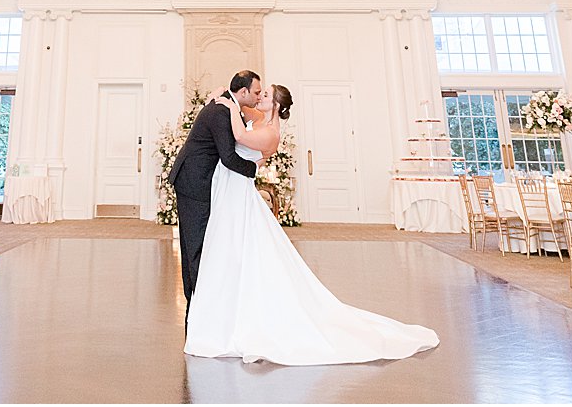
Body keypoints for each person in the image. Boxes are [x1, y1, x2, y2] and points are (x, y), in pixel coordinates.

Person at [184, 82, 440, 365]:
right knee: (229, 250)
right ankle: (225, 306)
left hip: (238, 192)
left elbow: (240, 135)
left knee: (240, 248)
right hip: (229, 192)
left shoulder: (270, 133)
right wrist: (218, 100)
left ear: (277, 106)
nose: (259, 98)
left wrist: (229, 106)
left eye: (265, 95)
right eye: (259, 93)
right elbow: (237, 114)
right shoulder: (259, 117)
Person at [168, 70, 262, 328]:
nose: (258, 97)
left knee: (199, 242)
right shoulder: (221, 111)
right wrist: (256, 169)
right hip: (194, 183)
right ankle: (200, 305)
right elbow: (228, 158)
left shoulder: (226, 105)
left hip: (199, 181)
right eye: (255, 92)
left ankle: (200, 300)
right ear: (242, 91)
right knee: (196, 243)